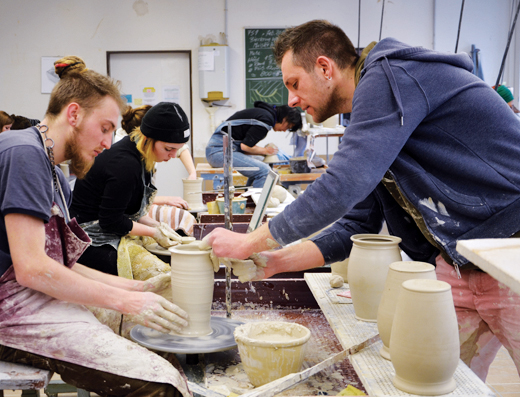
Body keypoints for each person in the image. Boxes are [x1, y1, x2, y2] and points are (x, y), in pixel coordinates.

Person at [205, 20, 520, 381]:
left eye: (294, 84)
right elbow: (357, 226)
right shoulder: (372, 121)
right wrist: (274, 262)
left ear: (325, 67)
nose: (290, 100)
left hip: (510, 249)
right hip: (459, 261)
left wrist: (251, 240)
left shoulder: (393, 77)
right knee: (435, 381)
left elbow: (343, 184)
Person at [0, 56, 190, 397]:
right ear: (73, 114)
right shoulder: (22, 153)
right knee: (161, 384)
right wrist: (126, 303)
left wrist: (134, 290)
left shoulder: (53, 170)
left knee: (155, 343)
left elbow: (61, 265)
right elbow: (32, 269)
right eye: (104, 128)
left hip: (31, 298)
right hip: (1, 314)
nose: (108, 143)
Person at [70, 102, 192, 277]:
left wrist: (159, 226)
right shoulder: (125, 164)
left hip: (108, 231)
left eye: (177, 150)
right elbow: (111, 221)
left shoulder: (143, 153)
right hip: (87, 241)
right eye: (168, 149)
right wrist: (154, 232)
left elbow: (129, 209)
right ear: (149, 139)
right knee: (161, 275)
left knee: (172, 258)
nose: (173, 156)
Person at [205, 101, 302, 187]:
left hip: (223, 150)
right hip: (218, 152)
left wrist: (263, 152)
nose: (285, 130)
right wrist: (266, 151)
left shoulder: (265, 114)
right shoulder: (266, 119)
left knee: (261, 166)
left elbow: (243, 147)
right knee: (265, 171)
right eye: (288, 126)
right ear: (285, 119)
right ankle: (257, 204)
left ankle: (250, 199)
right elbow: (245, 146)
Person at [120, 104, 198, 180]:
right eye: (167, 149)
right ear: (146, 138)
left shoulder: (148, 146)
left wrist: (192, 173)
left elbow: (179, 146)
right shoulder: (125, 162)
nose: (173, 155)